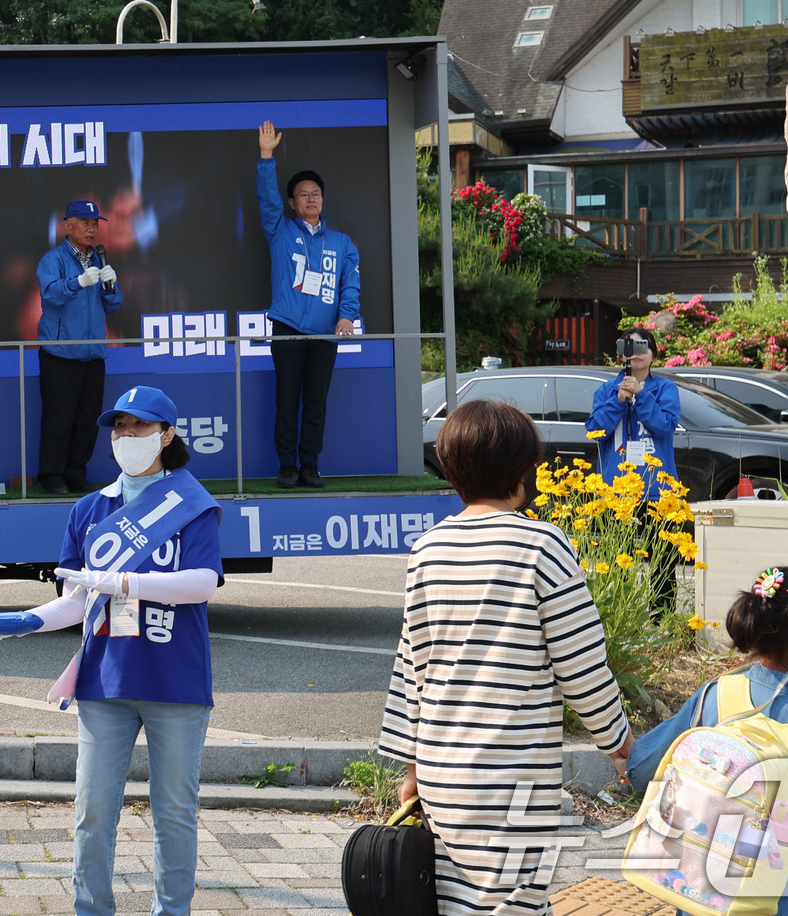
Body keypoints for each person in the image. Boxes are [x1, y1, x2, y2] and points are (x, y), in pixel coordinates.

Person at [0, 385, 222, 916]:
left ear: (167, 435)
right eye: (118, 427)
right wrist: (10, 625)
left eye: (139, 426)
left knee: (174, 813)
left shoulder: (191, 504)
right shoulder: (89, 510)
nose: (125, 436)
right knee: (93, 810)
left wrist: (124, 582)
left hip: (177, 678)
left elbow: (203, 583)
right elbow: (73, 601)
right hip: (105, 678)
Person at [378, 398, 632, 914]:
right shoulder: (543, 545)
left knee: (448, 901)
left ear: (452, 468)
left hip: (441, 768)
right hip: (514, 776)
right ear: (523, 469)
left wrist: (410, 768)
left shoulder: (429, 548)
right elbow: (582, 664)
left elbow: (412, 667)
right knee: (510, 903)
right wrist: (620, 743)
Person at [628, 567, 788, 915]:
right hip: (786, 901)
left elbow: (643, 768)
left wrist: (621, 753)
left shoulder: (715, 697)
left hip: (702, 896)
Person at [256, 120, 360, 490]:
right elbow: (266, 200)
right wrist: (267, 155)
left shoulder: (342, 243)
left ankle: (310, 466)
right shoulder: (280, 230)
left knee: (316, 404)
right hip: (286, 327)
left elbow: (351, 285)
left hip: (324, 335)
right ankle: (287, 466)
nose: (311, 198)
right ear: (292, 202)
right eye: (303, 194)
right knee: (287, 401)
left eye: (316, 193)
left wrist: (347, 316)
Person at [585, 326, 683, 615]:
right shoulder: (606, 390)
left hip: (657, 490)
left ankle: (660, 620)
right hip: (616, 490)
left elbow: (664, 425)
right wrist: (618, 400)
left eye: (643, 347)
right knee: (617, 558)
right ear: (620, 354)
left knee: (663, 560)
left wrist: (640, 396)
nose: (636, 353)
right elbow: (595, 430)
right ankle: (616, 615)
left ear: (653, 354)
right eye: (629, 347)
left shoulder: (666, 389)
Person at [35, 199, 124, 494]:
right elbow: (50, 295)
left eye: (95, 223)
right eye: (85, 223)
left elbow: (114, 306)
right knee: (58, 418)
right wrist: (78, 282)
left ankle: (76, 473)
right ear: (67, 225)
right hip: (60, 354)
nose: (92, 229)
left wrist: (111, 286)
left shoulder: (99, 259)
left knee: (87, 420)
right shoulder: (53, 260)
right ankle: (51, 476)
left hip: (93, 354)